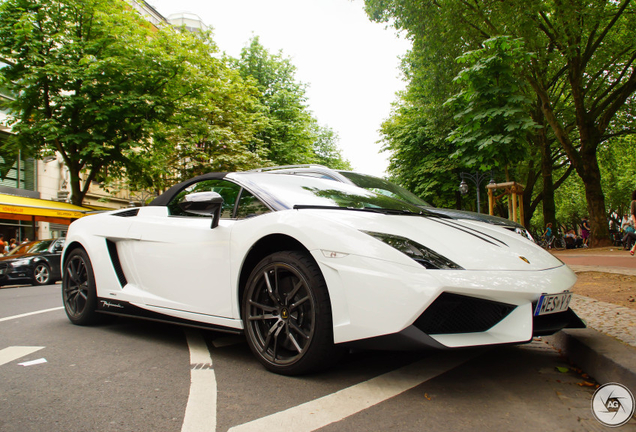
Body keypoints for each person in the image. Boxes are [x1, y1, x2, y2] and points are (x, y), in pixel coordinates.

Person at [629, 190, 636, 256]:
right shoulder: (633, 203)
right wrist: (635, 222)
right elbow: (632, 214)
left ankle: (633, 248)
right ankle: (633, 248)